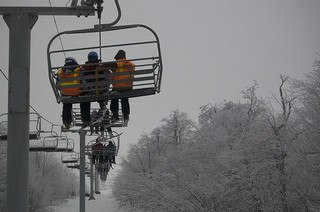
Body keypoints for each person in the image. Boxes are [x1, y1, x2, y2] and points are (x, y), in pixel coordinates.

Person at [57, 57, 88, 129]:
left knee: (66, 105)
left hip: (65, 93)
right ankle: (85, 120)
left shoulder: (60, 71)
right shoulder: (79, 70)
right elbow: (84, 82)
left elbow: (57, 85)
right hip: (77, 92)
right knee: (85, 101)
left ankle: (67, 122)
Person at [108, 50, 135, 127]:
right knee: (125, 100)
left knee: (114, 98)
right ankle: (126, 115)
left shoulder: (116, 64)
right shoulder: (131, 64)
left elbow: (106, 67)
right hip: (128, 87)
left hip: (118, 87)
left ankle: (115, 114)